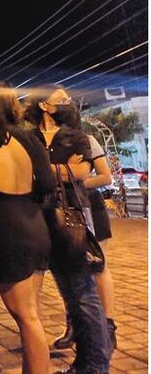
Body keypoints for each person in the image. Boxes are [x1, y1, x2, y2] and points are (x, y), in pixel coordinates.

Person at [0, 82, 56, 374]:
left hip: (5, 233)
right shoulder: (29, 139)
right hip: (36, 227)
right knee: (32, 315)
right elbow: (47, 184)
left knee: (26, 317)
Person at [24, 87, 112, 372]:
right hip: (37, 217)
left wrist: (41, 170)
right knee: (67, 293)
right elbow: (24, 171)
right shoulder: (28, 137)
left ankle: (96, 364)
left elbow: (83, 172)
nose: (67, 103)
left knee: (83, 291)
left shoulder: (77, 135)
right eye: (60, 100)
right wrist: (59, 169)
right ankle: (83, 362)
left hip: (71, 215)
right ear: (43, 106)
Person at [77, 134, 117, 350]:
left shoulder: (86, 139)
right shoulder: (42, 140)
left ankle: (108, 326)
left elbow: (105, 177)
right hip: (64, 208)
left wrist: (73, 182)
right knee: (70, 272)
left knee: (99, 267)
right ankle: (74, 326)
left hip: (91, 204)